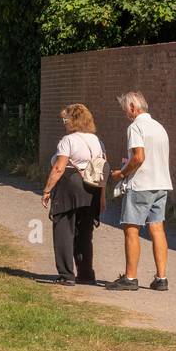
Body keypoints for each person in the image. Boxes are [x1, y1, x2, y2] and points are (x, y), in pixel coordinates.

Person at [107, 91, 172, 291]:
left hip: (141, 184)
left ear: (133, 108)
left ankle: (130, 277)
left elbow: (139, 157)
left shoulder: (136, 127)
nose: (126, 114)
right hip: (161, 183)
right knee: (157, 229)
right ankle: (161, 278)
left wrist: (121, 174)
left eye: (126, 110)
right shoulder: (159, 127)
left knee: (131, 228)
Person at [41, 103, 105, 285]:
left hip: (70, 187)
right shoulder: (97, 141)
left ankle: (66, 275)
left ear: (74, 120)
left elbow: (59, 167)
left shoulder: (68, 141)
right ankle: (86, 274)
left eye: (65, 119)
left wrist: (47, 190)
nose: (64, 122)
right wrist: (101, 196)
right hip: (92, 188)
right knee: (84, 233)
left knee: (63, 230)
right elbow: (102, 169)